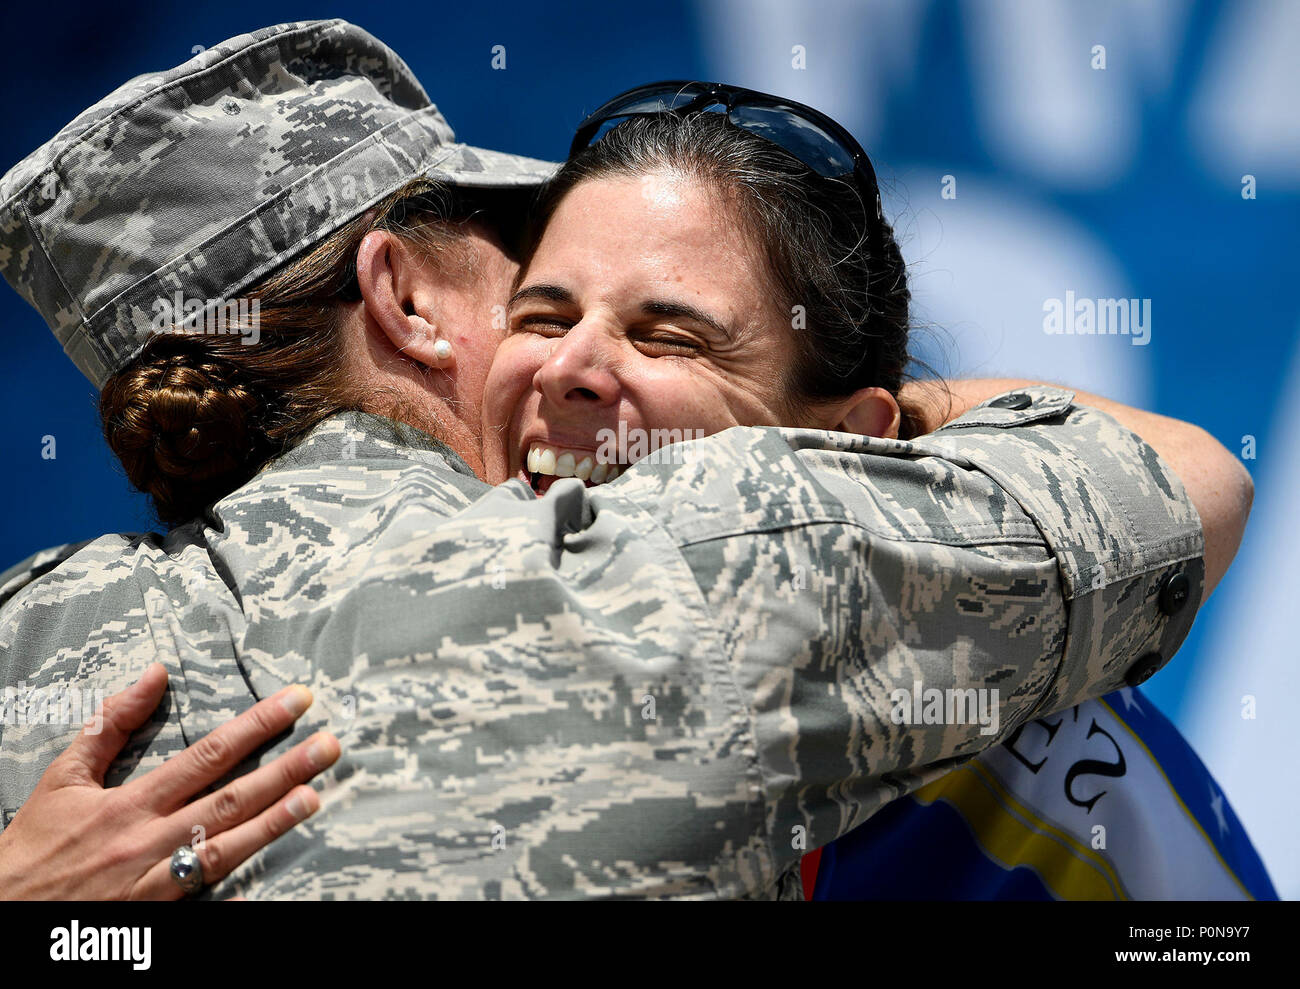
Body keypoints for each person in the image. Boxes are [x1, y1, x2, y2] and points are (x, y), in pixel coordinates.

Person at [0, 23, 1244, 899]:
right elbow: (1177, 482)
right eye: (533, 287)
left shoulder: (29, 639)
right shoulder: (707, 556)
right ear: (405, 301)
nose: (576, 365)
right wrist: (848, 435)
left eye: (662, 332)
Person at [478, 93, 1272, 900]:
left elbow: (1203, 478)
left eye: (670, 339)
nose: (564, 366)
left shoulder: (978, 681)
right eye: (542, 318)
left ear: (849, 448)